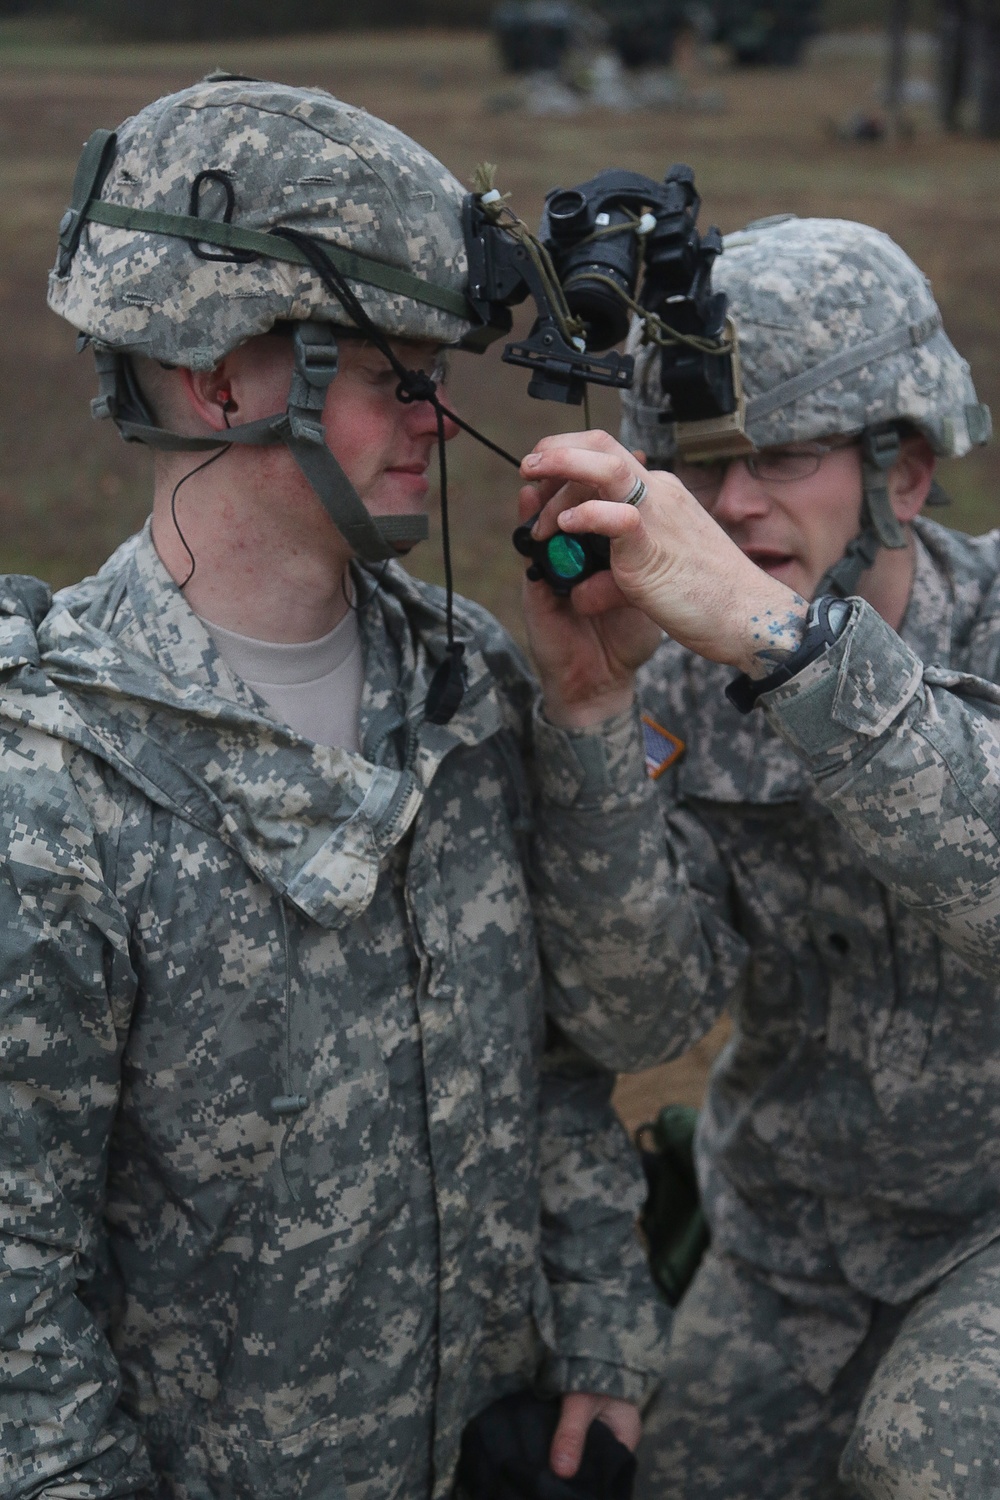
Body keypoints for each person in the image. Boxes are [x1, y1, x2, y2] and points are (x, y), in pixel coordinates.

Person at [0, 77, 683, 1498]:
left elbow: (576, 1054)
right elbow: (17, 1293)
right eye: (398, 376)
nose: (441, 418)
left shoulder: (470, 680)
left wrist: (605, 1328)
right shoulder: (52, 783)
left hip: (498, 1440)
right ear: (220, 378)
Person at [519, 216, 1000, 1497]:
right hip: (791, 1239)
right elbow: (640, 1015)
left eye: (781, 456)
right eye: (702, 465)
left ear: (900, 472)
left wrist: (788, 648)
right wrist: (590, 717)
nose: (734, 507)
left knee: (932, 1465)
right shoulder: (678, 674)